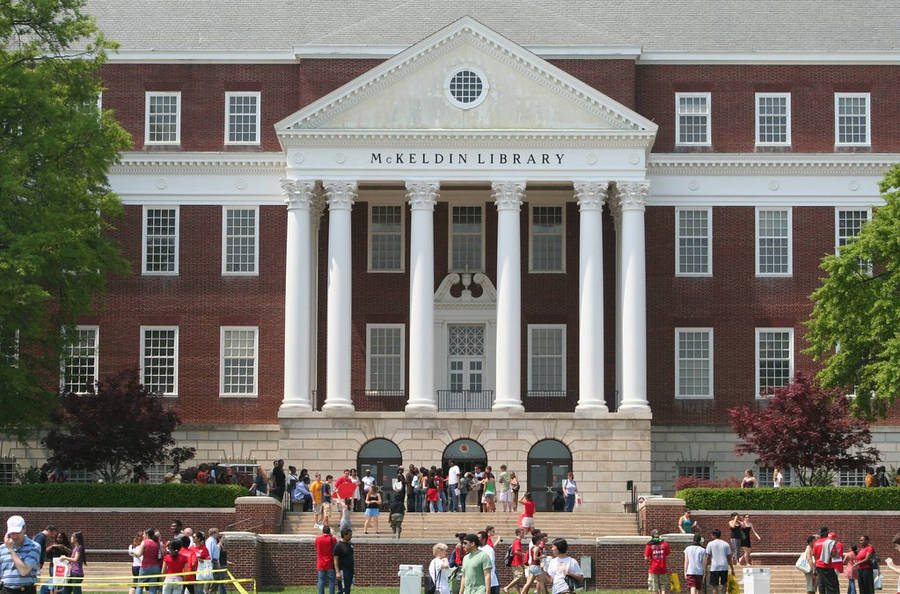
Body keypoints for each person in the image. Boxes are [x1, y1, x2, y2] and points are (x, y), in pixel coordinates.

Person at [1, 515, 42, 594]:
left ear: (24, 529)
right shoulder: (2, 548)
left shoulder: (34, 547)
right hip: (5, 590)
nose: (14, 536)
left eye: (17, 532)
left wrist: (11, 550)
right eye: (12, 533)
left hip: (25, 590)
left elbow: (24, 571)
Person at [813, 527, 843, 594]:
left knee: (821, 585)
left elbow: (815, 556)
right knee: (832, 586)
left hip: (818, 567)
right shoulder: (829, 542)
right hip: (827, 567)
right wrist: (837, 555)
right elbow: (833, 555)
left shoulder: (816, 543)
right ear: (826, 532)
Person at [705, 528, 734, 594]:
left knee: (715, 586)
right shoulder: (726, 544)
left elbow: (707, 557)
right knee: (724, 585)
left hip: (714, 567)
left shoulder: (710, 544)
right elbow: (729, 557)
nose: (711, 536)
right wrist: (732, 569)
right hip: (724, 566)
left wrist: (705, 568)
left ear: (714, 535)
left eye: (712, 535)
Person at [134, 528, 161, 594]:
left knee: (140, 586)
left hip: (145, 567)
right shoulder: (157, 543)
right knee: (152, 587)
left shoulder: (144, 542)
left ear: (147, 535)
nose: (143, 535)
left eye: (144, 534)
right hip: (155, 567)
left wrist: (133, 551)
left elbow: (139, 554)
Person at [644, 529, 670, 594]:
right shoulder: (665, 544)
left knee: (655, 588)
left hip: (653, 568)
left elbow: (646, 558)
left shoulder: (649, 545)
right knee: (663, 586)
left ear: (652, 536)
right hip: (663, 567)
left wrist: (649, 560)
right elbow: (667, 554)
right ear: (659, 535)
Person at [502, 529, 527, 594]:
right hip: (516, 562)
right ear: (519, 533)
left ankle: (519, 592)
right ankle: (506, 587)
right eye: (522, 533)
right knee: (519, 576)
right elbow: (516, 551)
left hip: (515, 562)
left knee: (516, 578)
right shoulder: (517, 541)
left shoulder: (516, 541)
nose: (524, 534)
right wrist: (524, 554)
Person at [315, 526, 337, 594]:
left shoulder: (318, 539)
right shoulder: (333, 539)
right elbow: (336, 549)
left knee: (321, 580)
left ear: (322, 531)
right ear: (329, 531)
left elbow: (316, 547)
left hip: (320, 563)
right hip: (330, 563)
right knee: (331, 581)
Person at [204, 528, 226, 594]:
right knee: (215, 578)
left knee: (215, 578)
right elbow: (209, 552)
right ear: (213, 533)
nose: (218, 534)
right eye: (217, 532)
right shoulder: (210, 541)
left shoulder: (213, 541)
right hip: (212, 561)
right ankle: (210, 592)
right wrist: (210, 563)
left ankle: (210, 592)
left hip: (215, 561)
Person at [333, 528, 353, 594]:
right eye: (350, 535)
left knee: (347, 589)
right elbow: (335, 559)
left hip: (350, 570)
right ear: (344, 535)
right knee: (343, 590)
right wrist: (337, 572)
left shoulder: (350, 544)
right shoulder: (338, 546)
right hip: (342, 571)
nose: (351, 536)